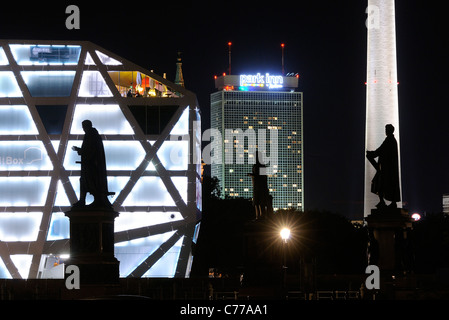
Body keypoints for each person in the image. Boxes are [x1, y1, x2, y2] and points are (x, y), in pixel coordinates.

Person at [72, 120, 112, 208]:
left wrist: (80, 150)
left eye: (83, 126)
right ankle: (83, 200)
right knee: (85, 181)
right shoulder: (93, 135)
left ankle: (86, 200)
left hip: (92, 166)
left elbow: (90, 150)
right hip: (92, 165)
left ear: (86, 126)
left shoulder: (91, 135)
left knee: (89, 181)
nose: (83, 129)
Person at [366, 124, 401, 209]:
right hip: (387, 168)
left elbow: (381, 150)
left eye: (386, 129)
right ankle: (387, 202)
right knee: (382, 184)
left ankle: (384, 202)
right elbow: (381, 150)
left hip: (387, 169)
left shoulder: (389, 140)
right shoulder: (391, 140)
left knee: (378, 183)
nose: (385, 131)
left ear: (389, 130)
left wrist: (371, 154)